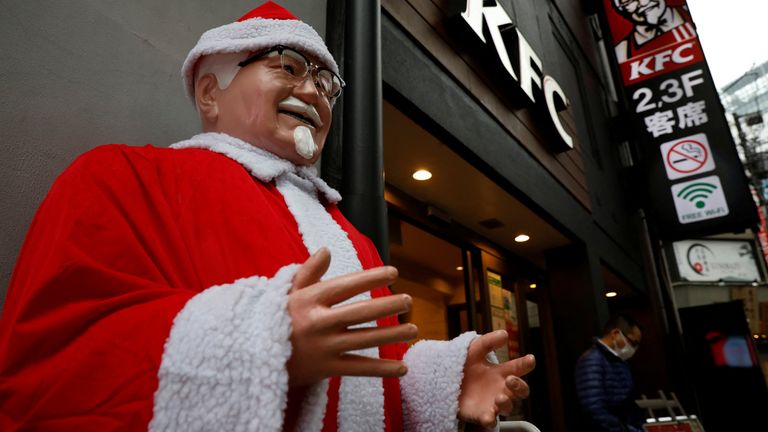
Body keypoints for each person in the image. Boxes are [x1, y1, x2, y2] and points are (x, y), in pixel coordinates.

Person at [0, 2, 536, 431]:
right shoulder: (124, 177)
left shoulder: (353, 238)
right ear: (211, 91)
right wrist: (261, 343)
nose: (313, 93)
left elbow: (364, 388)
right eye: (289, 67)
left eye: (327, 84)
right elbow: (55, 361)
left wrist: (437, 383)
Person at [574, 314, 645, 432]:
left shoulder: (619, 360)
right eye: (633, 342)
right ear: (616, 334)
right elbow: (593, 407)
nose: (634, 348)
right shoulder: (592, 359)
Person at [611, 0, 695, 63]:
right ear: (621, 9)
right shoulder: (622, 53)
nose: (643, 3)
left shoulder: (695, 15)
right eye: (629, 0)